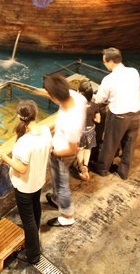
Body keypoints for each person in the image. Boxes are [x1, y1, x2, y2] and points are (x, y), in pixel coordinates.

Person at [0, 100, 52, 265]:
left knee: (28, 220)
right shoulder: (45, 131)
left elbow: (21, 168)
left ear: (19, 117)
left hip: (25, 186)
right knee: (36, 209)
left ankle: (33, 255)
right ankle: (35, 238)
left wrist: (1, 155)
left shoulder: (25, 142)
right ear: (35, 113)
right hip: (38, 181)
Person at [35, 74, 86, 227]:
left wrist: (54, 153)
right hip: (59, 146)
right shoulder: (75, 96)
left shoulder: (72, 120)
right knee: (57, 179)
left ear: (56, 98)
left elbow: (72, 150)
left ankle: (68, 216)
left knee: (62, 183)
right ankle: (57, 199)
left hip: (63, 154)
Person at [93, 47, 140, 180]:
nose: (104, 64)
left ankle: (103, 169)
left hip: (119, 117)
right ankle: (123, 172)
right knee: (129, 145)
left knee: (110, 143)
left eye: (104, 62)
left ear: (110, 62)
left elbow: (99, 99)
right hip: (136, 114)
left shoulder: (109, 79)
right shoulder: (134, 72)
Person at [75, 80, 100, 181]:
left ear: (81, 93)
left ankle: (80, 167)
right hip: (90, 130)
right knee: (88, 149)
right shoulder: (95, 105)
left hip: (81, 132)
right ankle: (86, 165)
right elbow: (98, 120)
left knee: (80, 150)